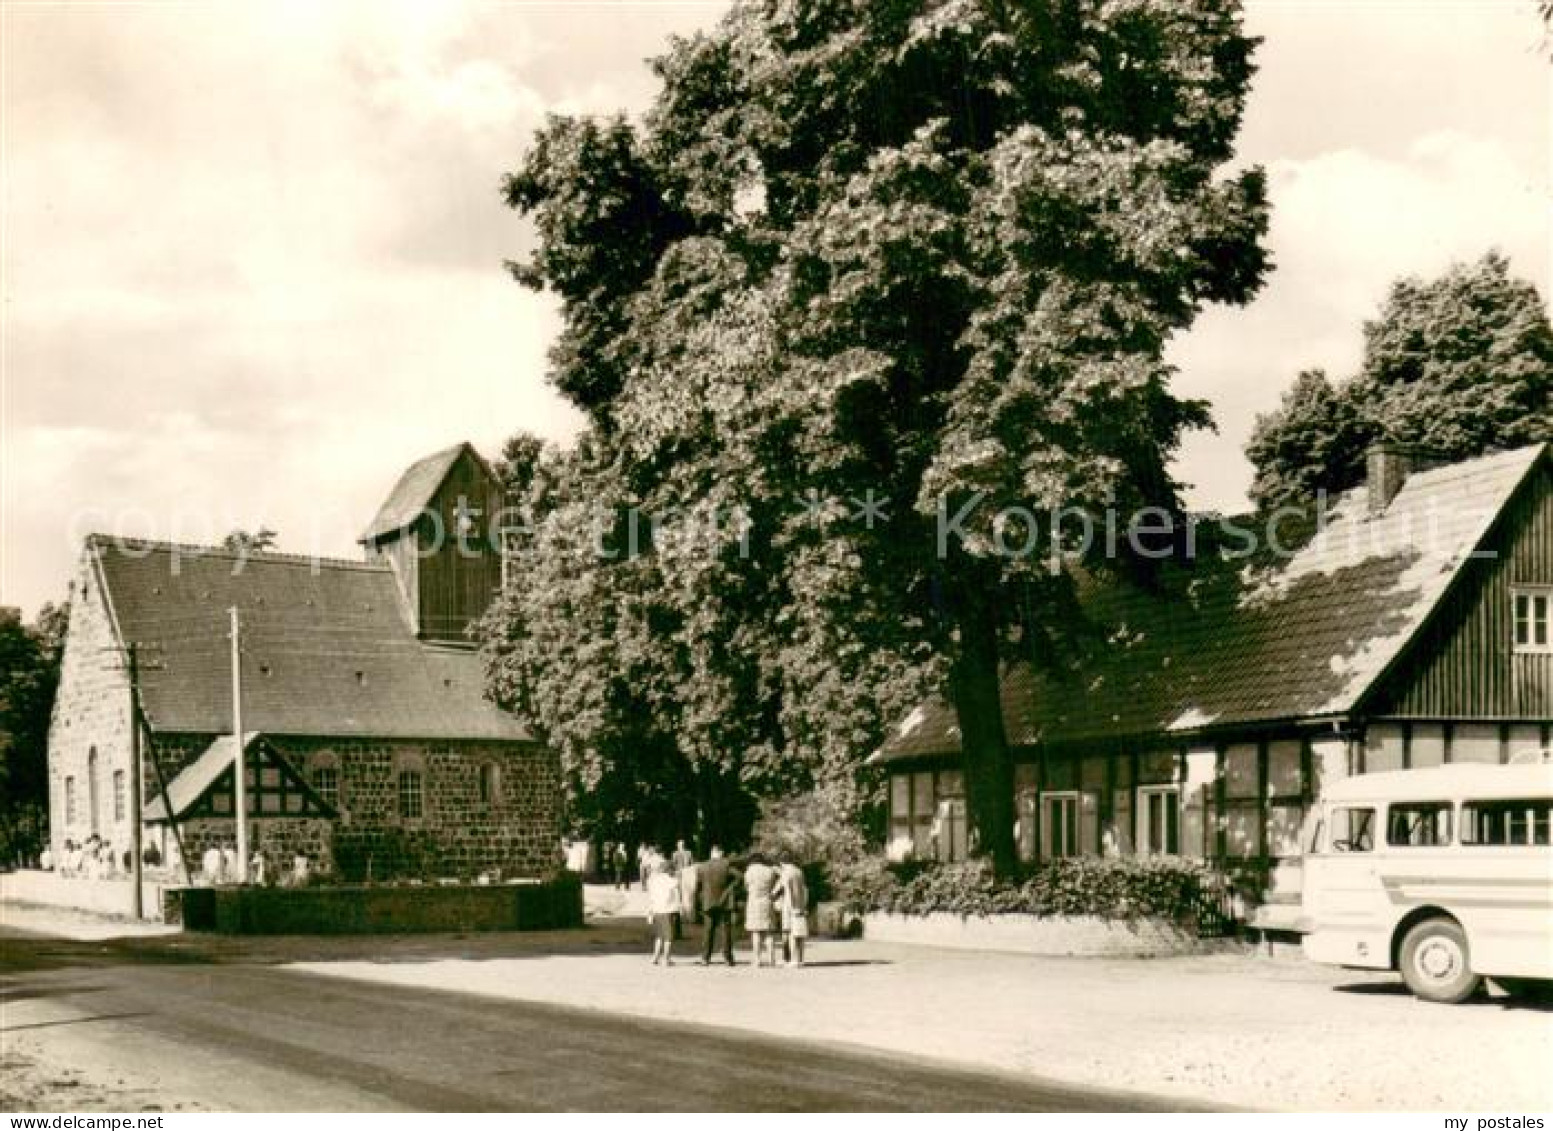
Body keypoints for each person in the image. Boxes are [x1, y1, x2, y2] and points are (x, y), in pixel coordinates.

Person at [697, 847, 739, 966]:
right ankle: (728, 958)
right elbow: (739, 877)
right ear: (721, 853)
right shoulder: (726, 865)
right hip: (724, 902)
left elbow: (699, 884)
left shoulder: (703, 866)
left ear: (711, 853)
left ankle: (705, 958)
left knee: (708, 930)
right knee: (726, 931)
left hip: (708, 901)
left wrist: (701, 898)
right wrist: (730, 888)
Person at [742, 853, 778, 968]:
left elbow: (746, 886)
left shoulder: (749, 871)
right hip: (767, 901)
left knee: (756, 932)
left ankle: (757, 960)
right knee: (768, 932)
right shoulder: (769, 871)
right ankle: (772, 959)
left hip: (753, 902)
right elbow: (775, 882)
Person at [774, 856, 810, 967]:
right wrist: (803, 906)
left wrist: (790, 907)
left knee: (790, 934)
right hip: (801, 906)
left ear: (781, 863)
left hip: (790, 907)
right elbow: (805, 890)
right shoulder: (799, 871)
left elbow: (786, 891)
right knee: (800, 934)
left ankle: (792, 960)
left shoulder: (786, 873)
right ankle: (800, 959)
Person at [645, 859, 681, 966]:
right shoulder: (673, 881)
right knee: (668, 937)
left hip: (656, 910)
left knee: (659, 936)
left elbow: (651, 897)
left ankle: (655, 958)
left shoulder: (654, 881)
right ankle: (666, 959)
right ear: (670, 870)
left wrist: (650, 912)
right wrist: (680, 908)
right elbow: (677, 897)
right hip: (668, 910)